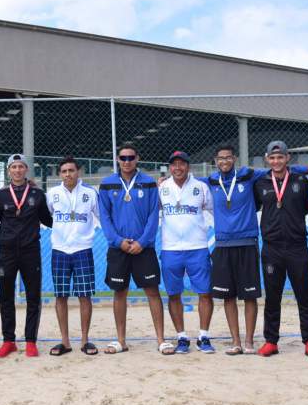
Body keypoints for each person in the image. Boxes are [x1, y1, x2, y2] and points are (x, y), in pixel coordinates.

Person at [99, 144, 174, 355]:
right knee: (119, 292)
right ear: (117, 159)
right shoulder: (107, 184)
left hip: (144, 247)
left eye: (131, 157)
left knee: (152, 291)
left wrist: (142, 241)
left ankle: (161, 339)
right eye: (123, 158)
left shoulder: (149, 183)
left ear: (137, 158)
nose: (127, 161)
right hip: (118, 247)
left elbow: (153, 215)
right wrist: (117, 241)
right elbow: (104, 217)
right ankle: (121, 340)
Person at [253, 141, 308, 359]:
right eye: (272, 158)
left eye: (280, 157)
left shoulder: (301, 180)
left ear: (287, 158)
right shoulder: (261, 182)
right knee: (273, 298)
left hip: (297, 247)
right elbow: (252, 206)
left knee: (304, 297)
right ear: (267, 159)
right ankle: (271, 341)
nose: (276, 161)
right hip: (271, 248)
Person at [204, 145, 267, 355]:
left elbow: (276, 170)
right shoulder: (210, 181)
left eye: (228, 158)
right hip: (223, 245)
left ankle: (249, 341)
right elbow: (187, 182)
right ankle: (236, 341)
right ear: (215, 161)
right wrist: (162, 180)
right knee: (228, 296)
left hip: (247, 242)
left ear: (234, 159)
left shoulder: (247, 175)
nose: (224, 161)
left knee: (249, 296)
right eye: (220, 158)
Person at [0, 154, 53, 358]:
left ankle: (30, 341)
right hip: (6, 252)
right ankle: (8, 340)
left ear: (26, 169)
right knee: (6, 297)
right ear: (9, 171)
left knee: (33, 297)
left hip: (30, 251)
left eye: (21, 166)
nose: (17, 170)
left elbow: (48, 219)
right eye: (14, 167)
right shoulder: (0, 195)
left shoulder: (37, 193)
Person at [158, 151, 216, 354]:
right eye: (174, 165)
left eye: (182, 164)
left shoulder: (200, 187)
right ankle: (182, 337)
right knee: (174, 294)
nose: (178, 168)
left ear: (188, 167)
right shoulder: (162, 188)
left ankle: (204, 336)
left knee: (205, 293)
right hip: (170, 249)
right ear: (170, 168)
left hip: (197, 248)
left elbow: (216, 211)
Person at [46, 156, 100, 356]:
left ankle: (85, 340)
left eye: (71, 170)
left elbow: (102, 215)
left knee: (84, 296)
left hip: (83, 249)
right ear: (60, 174)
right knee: (61, 296)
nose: (68, 174)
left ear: (79, 172)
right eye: (64, 171)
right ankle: (65, 341)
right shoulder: (52, 194)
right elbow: (48, 215)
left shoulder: (90, 193)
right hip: (59, 250)